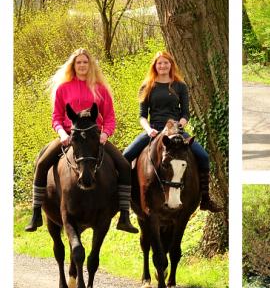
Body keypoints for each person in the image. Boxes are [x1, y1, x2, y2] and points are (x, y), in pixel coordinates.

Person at [25, 48, 137, 233]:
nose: (82, 65)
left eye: (85, 62)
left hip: (94, 137)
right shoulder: (63, 88)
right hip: (70, 135)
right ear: (73, 66)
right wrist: (62, 134)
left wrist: (105, 134)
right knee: (42, 163)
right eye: (79, 62)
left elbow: (109, 117)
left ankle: (124, 216)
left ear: (90, 65)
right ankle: (36, 213)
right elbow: (56, 117)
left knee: (124, 165)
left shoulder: (100, 89)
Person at [122, 51, 221, 213]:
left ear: (171, 65)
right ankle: (126, 201)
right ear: (155, 66)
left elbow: (186, 114)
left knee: (203, 156)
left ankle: (205, 198)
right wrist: (149, 130)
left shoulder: (180, 86)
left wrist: (179, 126)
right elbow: (141, 116)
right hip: (154, 129)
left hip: (176, 130)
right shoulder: (147, 86)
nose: (162, 66)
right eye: (159, 63)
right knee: (126, 156)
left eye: (165, 63)